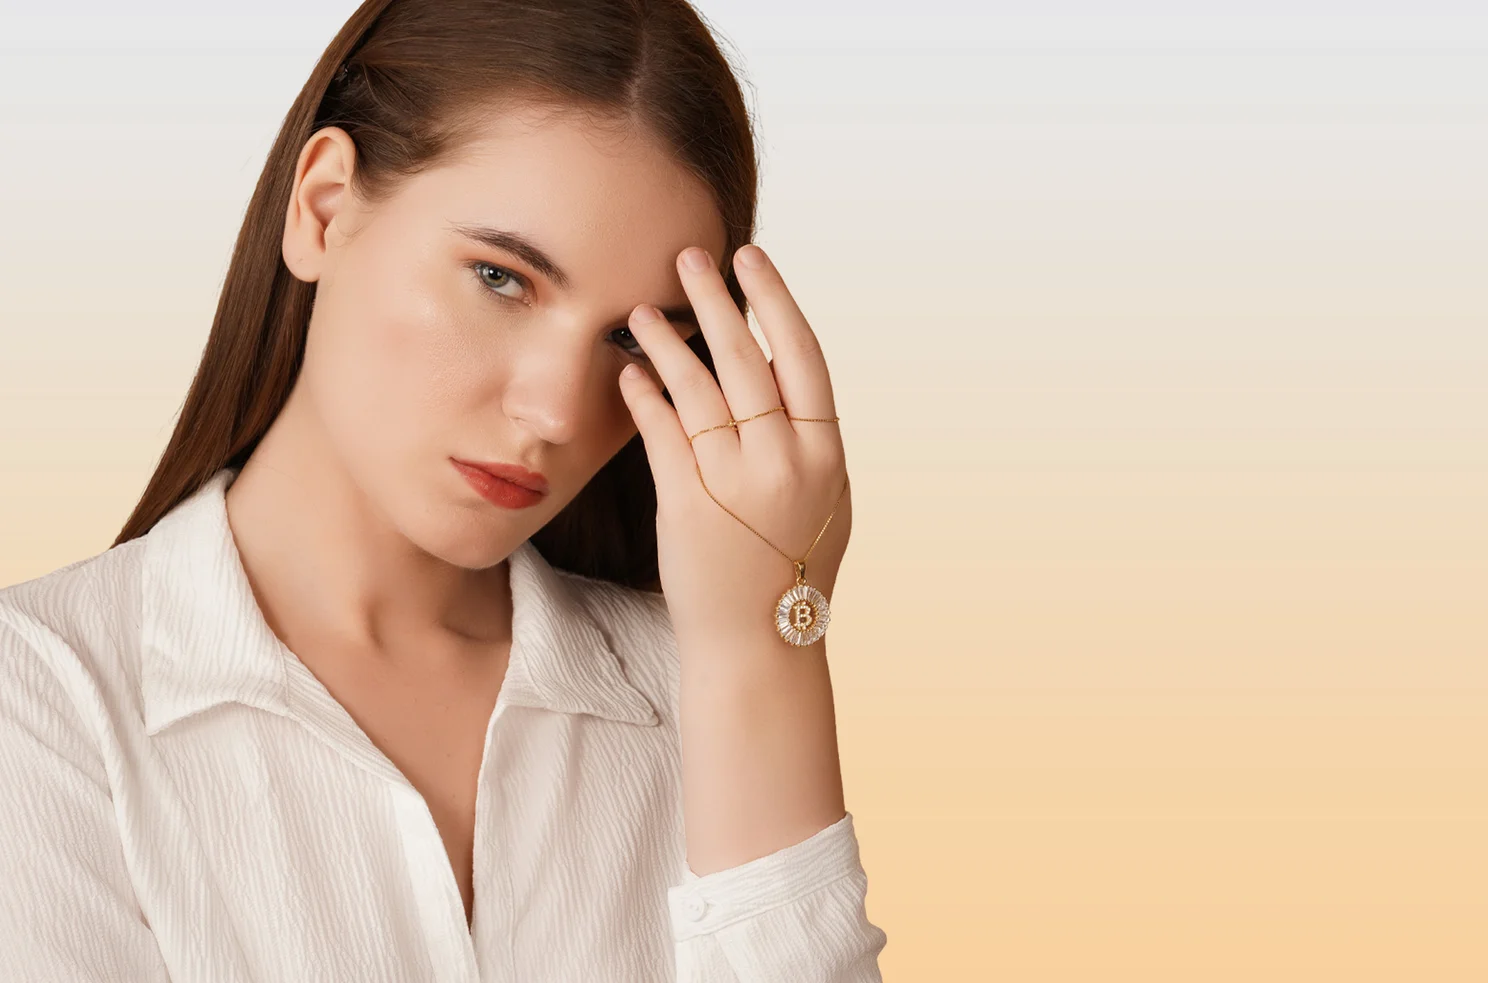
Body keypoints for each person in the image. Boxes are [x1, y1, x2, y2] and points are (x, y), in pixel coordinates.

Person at [0, 1, 888, 979]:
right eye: (501, 278)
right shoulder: (46, 700)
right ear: (323, 209)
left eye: (632, 337)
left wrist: (765, 647)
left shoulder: (707, 688)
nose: (556, 409)